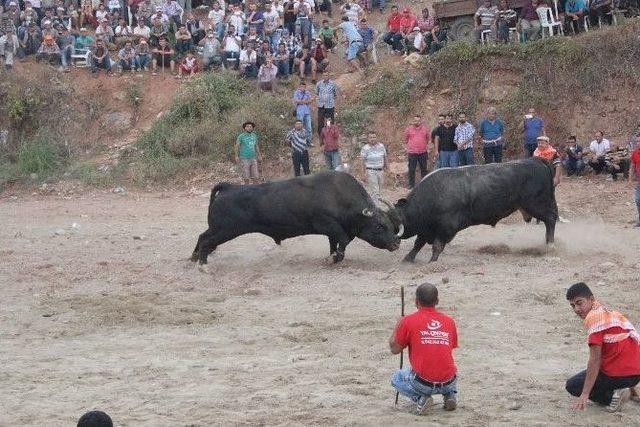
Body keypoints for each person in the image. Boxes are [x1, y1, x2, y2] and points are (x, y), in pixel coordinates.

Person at [565, 282, 640, 412]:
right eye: (573, 306)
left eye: (579, 303)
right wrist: (632, 386)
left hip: (623, 374)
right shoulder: (610, 313)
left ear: (591, 299)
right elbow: (629, 346)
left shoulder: (595, 320)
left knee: (573, 385)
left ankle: (613, 398)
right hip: (636, 373)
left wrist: (585, 394)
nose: (576, 309)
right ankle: (626, 390)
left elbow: (595, 360)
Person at [390, 283, 459, 415]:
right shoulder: (449, 321)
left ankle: (421, 398)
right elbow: (449, 347)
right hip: (449, 381)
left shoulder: (408, 321)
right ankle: (450, 395)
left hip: (423, 384)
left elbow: (394, 349)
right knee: (449, 369)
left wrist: (398, 325)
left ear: (416, 301)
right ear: (437, 301)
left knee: (396, 378)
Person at [404, 114, 430, 189]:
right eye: (415, 120)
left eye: (418, 120)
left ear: (420, 121)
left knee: (424, 169)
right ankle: (411, 185)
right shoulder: (408, 129)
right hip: (412, 153)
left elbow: (427, 139)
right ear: (413, 121)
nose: (417, 122)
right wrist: (409, 148)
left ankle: (424, 185)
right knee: (412, 169)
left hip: (423, 153)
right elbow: (406, 139)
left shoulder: (425, 129)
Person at [360, 132, 387, 198]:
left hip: (380, 170)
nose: (372, 139)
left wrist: (387, 167)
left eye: (374, 137)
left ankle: (378, 205)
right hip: (371, 171)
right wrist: (363, 173)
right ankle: (376, 206)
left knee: (381, 190)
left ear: (377, 138)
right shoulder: (365, 148)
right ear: (368, 139)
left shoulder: (381, 146)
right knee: (375, 191)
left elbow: (385, 157)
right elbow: (362, 161)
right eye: (370, 137)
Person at [315, 73, 338, 137]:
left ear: (329, 76)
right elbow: (316, 93)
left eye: (327, 75)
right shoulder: (319, 84)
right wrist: (318, 100)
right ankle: (321, 135)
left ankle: (330, 134)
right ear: (322, 76)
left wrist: (332, 100)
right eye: (324, 75)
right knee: (320, 121)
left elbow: (335, 93)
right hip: (321, 105)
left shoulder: (333, 84)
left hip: (329, 105)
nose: (325, 76)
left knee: (329, 120)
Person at [630, 135, 640, 227]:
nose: (638, 143)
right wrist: (630, 179)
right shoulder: (635, 153)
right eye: (637, 141)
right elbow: (632, 166)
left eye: (639, 141)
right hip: (639, 183)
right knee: (637, 200)